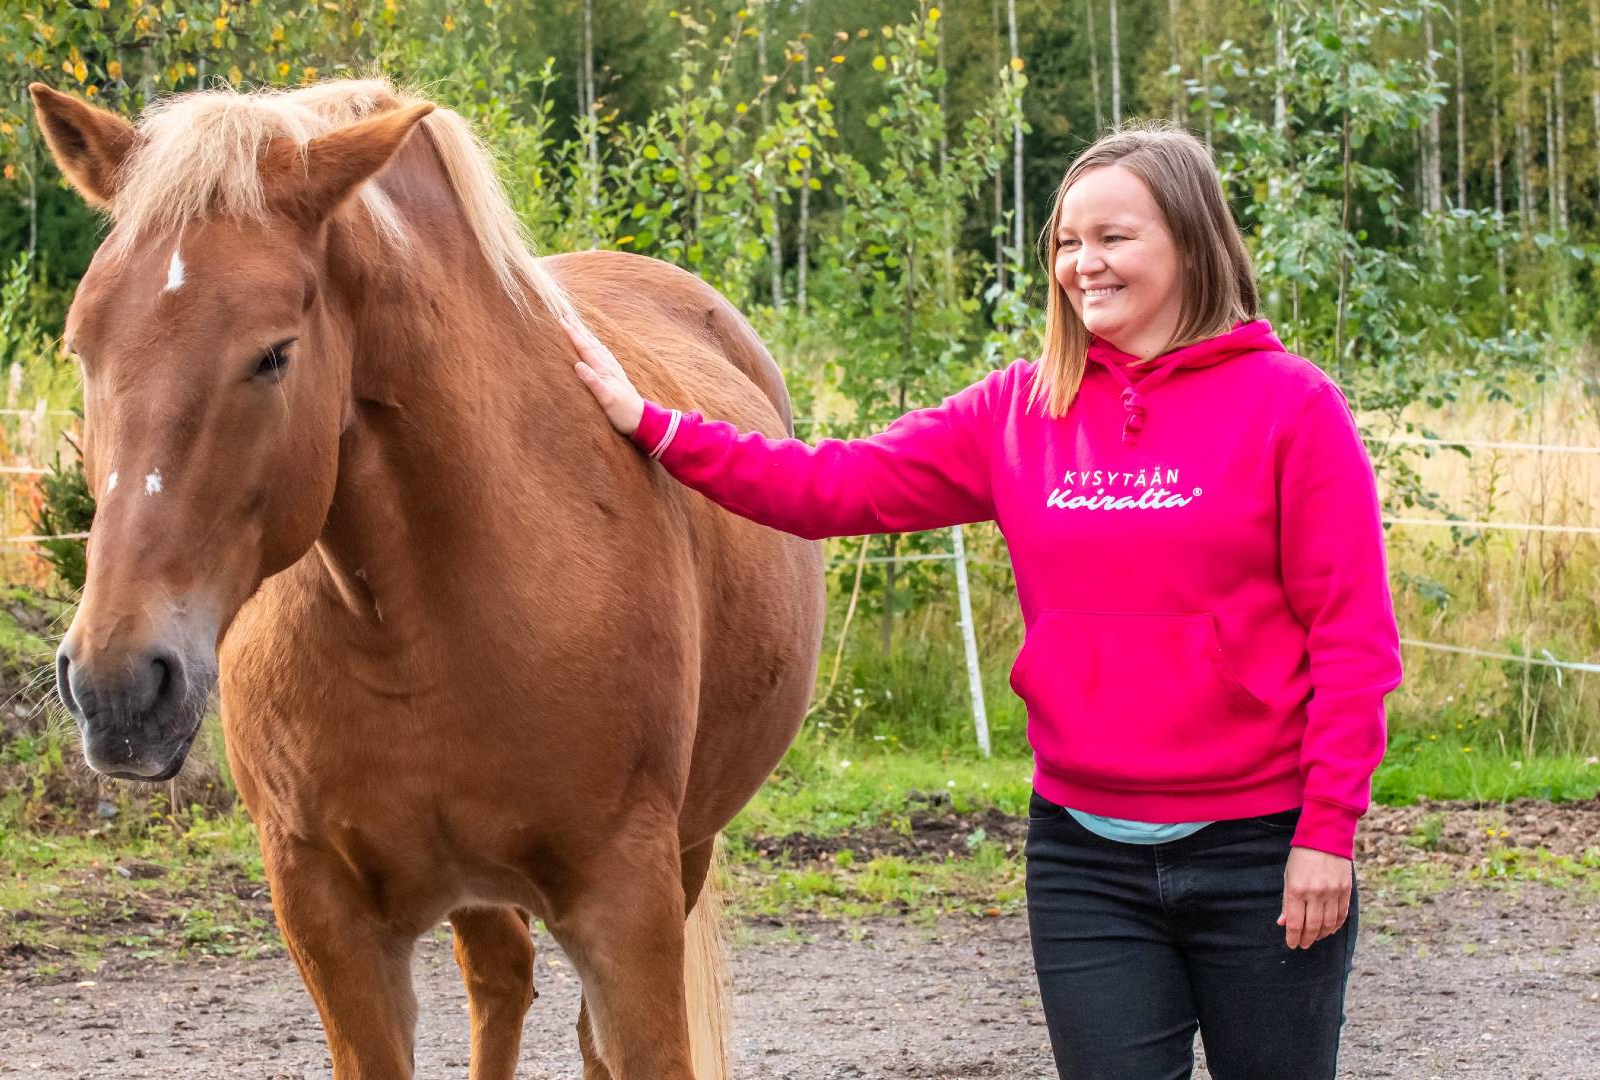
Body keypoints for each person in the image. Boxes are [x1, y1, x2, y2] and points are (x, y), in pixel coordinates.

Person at [560, 121, 1403, 1080]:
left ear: (1191, 238)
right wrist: (655, 426)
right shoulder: (1018, 410)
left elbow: (1352, 641)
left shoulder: (1291, 409)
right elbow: (828, 485)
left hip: (1261, 850)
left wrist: (1326, 834)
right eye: (1067, 242)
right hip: (1084, 857)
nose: (1084, 264)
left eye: (1115, 238)